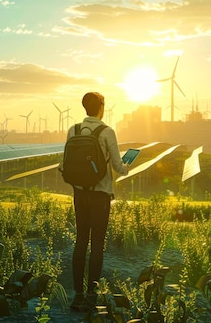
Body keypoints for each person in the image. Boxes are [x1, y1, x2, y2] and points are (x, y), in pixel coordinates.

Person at [65, 92, 129, 311]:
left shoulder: (72, 131)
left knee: (81, 241)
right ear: (101, 106)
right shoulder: (107, 132)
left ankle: (78, 295)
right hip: (100, 196)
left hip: (79, 194)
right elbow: (119, 168)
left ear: (84, 108)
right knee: (97, 245)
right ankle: (92, 295)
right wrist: (128, 165)